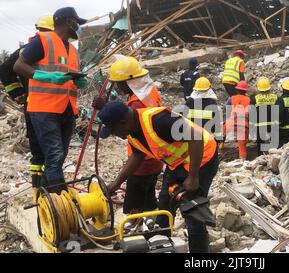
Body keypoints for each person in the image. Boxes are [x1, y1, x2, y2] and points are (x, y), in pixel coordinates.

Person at [98, 101, 218, 253]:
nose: (115, 134)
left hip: (202, 159)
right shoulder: (133, 131)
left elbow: (195, 136)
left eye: (113, 130)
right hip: (177, 163)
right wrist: (115, 184)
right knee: (165, 205)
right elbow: (137, 155)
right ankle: (161, 247)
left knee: (192, 211)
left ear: (123, 122)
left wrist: (193, 177)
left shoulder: (158, 121)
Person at [13, 7, 88, 194]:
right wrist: (44, 76)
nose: (78, 27)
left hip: (67, 109)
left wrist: (80, 82)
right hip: (44, 109)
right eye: (76, 23)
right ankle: (58, 199)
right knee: (54, 155)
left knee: (59, 157)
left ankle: (46, 196)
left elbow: (71, 81)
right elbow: (18, 65)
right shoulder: (43, 40)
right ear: (68, 21)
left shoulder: (73, 50)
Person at [93, 56, 163, 215]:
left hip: (142, 163)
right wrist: (106, 107)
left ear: (127, 82)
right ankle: (150, 227)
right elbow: (127, 113)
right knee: (148, 203)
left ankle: (137, 234)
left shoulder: (136, 103)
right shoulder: (148, 92)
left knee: (135, 210)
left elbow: (128, 118)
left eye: (118, 83)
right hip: (154, 158)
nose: (117, 87)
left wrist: (116, 184)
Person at [0, 15, 54, 199]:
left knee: (39, 151)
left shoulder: (28, 50)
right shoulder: (36, 50)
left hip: (36, 106)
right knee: (48, 151)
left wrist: (18, 94)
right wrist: (18, 93)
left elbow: (5, 69)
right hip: (43, 107)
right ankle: (47, 192)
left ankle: (38, 191)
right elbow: (6, 69)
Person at [250, 77, 278, 155]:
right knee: (274, 147)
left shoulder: (254, 98)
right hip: (273, 125)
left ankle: (260, 162)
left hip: (260, 126)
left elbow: (252, 114)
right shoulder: (275, 97)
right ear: (269, 88)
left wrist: (252, 128)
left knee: (260, 148)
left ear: (259, 89)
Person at [223, 80, 250, 160]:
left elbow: (227, 112)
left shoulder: (232, 99)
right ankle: (243, 163)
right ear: (245, 91)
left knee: (221, 133)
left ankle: (220, 144)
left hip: (231, 123)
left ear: (237, 89)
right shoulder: (249, 100)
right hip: (243, 125)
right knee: (242, 146)